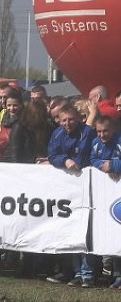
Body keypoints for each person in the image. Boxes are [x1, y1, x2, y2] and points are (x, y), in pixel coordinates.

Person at [47, 103, 97, 287]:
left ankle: (88, 274)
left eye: (71, 120)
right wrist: (64, 160)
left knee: (86, 231)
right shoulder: (57, 134)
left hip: (86, 187)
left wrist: (71, 160)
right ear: (59, 121)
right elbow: (52, 154)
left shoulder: (87, 132)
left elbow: (83, 155)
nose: (67, 123)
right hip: (66, 189)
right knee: (71, 230)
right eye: (64, 120)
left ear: (79, 118)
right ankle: (76, 272)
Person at [90, 116, 121, 288]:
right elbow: (92, 160)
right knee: (114, 236)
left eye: (105, 131)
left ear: (113, 130)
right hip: (108, 196)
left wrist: (115, 166)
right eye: (99, 131)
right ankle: (116, 274)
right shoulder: (95, 142)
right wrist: (104, 165)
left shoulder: (119, 141)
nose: (102, 135)